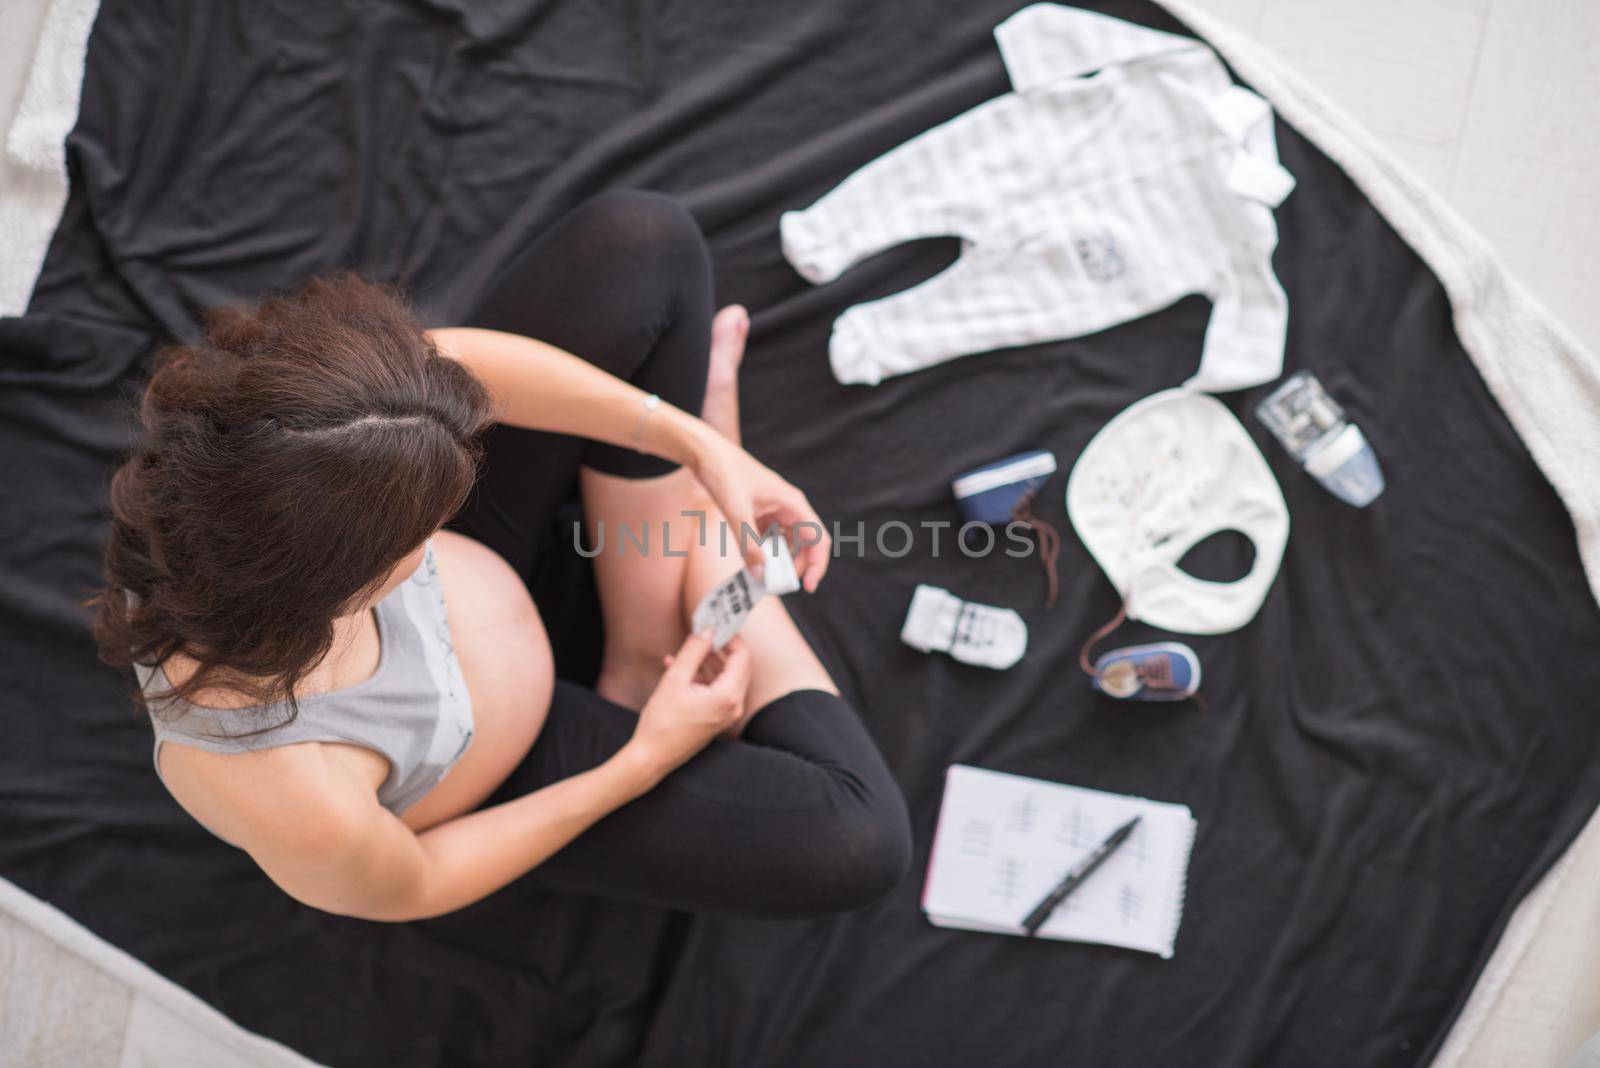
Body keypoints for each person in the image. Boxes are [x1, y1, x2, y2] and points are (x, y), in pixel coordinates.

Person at [87, 189, 913, 922]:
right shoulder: (274, 780)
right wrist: (641, 758)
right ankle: (699, 557)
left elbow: (471, 370)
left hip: (493, 568)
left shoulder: (288, 443)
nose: (437, 535)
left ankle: (638, 643)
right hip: (526, 750)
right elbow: (411, 885)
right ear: (338, 589)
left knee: (640, 241)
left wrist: (691, 441)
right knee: (856, 839)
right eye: (422, 535)